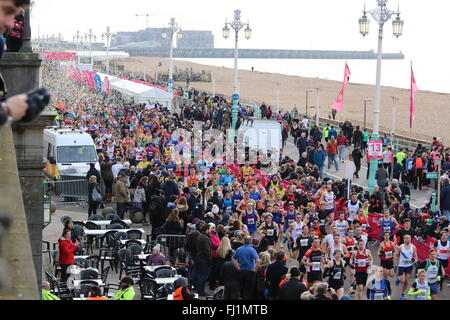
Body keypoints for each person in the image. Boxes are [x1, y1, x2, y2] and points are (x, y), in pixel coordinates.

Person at [394, 234, 418, 300]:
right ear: (404, 239)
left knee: (406, 281)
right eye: (406, 238)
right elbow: (395, 255)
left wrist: (415, 261)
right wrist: (395, 265)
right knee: (402, 280)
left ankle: (402, 294)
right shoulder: (401, 247)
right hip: (401, 266)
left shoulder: (413, 247)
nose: (408, 239)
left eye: (409, 238)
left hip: (409, 266)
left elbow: (416, 256)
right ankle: (399, 279)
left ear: (411, 239)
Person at [192, 223, 212, 297]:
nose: (210, 231)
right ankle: (201, 291)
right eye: (209, 229)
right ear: (206, 230)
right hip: (204, 259)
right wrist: (210, 260)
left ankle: (199, 289)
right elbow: (207, 251)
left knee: (200, 275)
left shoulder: (200, 236)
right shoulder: (205, 238)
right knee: (203, 276)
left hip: (200, 258)